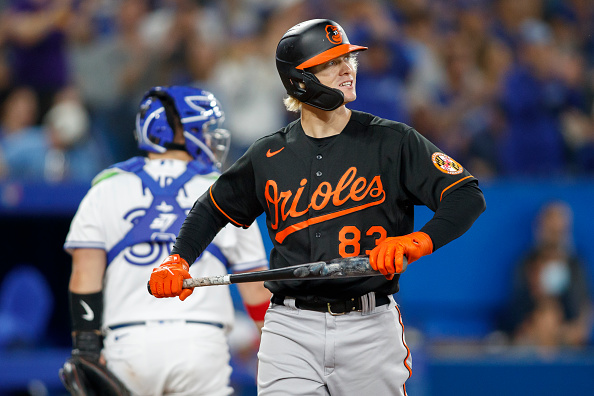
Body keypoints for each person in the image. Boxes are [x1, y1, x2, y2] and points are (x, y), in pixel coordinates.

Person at [148, 19, 486, 395]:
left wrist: (420, 241)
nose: (347, 69)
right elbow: (211, 208)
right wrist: (178, 258)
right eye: (331, 62)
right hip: (290, 327)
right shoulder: (268, 154)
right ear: (299, 79)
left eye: (348, 59)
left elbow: (466, 194)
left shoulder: (392, 140)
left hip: (370, 324)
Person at [63, 85, 272, 395]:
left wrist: (87, 347)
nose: (210, 136)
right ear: (177, 131)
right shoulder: (221, 187)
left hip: (128, 345)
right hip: (200, 343)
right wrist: (276, 350)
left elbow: (84, 273)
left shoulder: (106, 187)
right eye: (201, 127)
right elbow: (255, 286)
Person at [506, 201, 593, 350]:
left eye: (559, 231)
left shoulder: (575, 264)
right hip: (532, 333)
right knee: (546, 319)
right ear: (540, 228)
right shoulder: (526, 264)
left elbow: (583, 305)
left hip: (568, 334)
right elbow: (517, 310)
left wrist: (573, 330)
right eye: (550, 229)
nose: (554, 236)